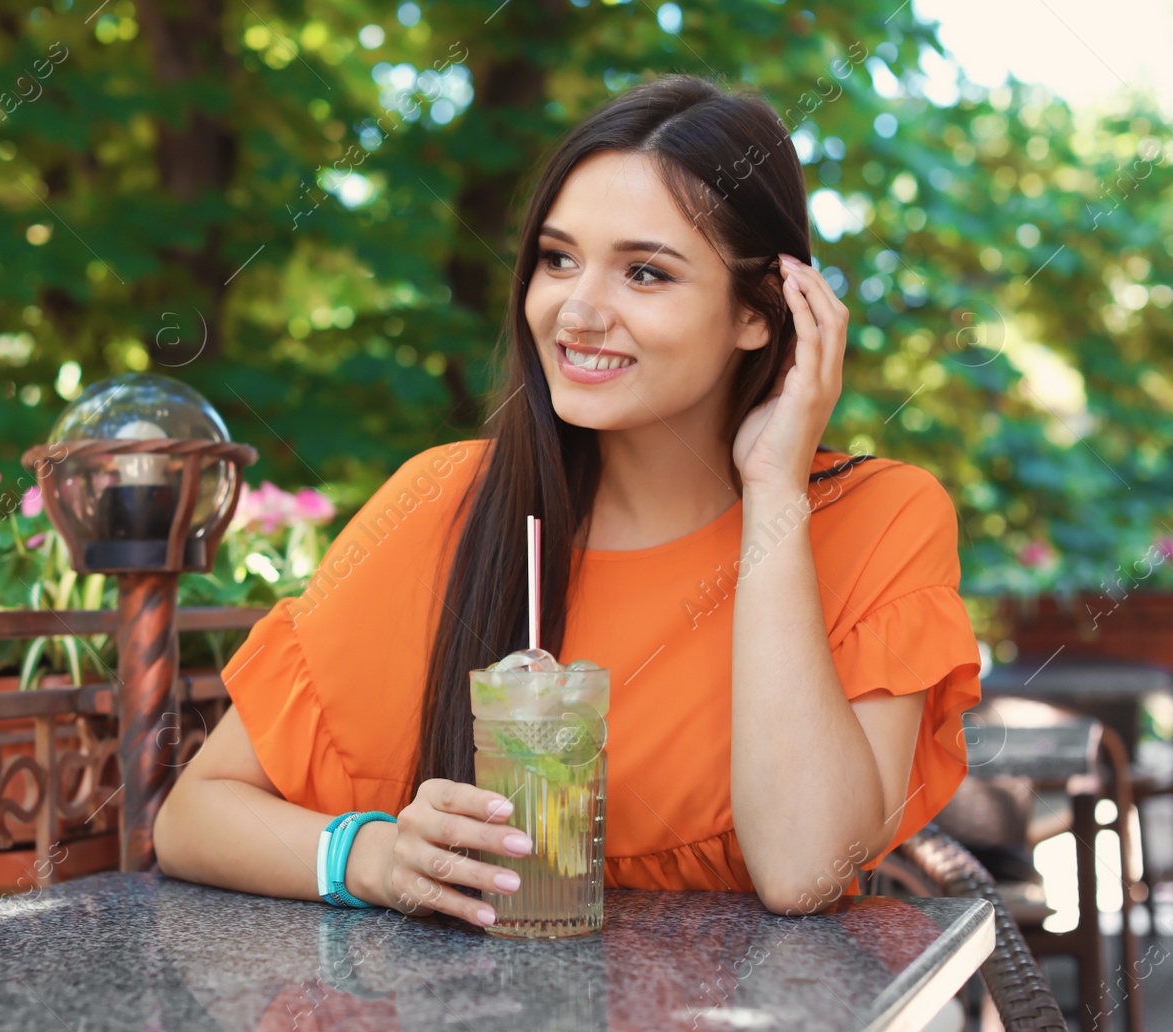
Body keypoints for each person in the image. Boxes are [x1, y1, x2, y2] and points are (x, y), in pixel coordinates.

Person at [154, 73, 982, 922]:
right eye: (557, 259)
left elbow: (802, 868)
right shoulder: (440, 505)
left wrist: (773, 488)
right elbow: (191, 817)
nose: (578, 310)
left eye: (645, 273)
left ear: (761, 312)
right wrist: (369, 856)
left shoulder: (882, 518)